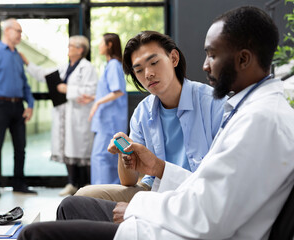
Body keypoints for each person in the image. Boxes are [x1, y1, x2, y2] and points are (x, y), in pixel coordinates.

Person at [17, 6, 294, 240]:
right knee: (71, 205)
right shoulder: (251, 111)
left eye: (211, 55)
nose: (206, 65)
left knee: (34, 234)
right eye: (138, 70)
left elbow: (209, 214)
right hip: (172, 206)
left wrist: (142, 206)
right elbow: (203, 189)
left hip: (176, 227)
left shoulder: (255, 119)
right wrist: (151, 169)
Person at [75, 30, 226, 202]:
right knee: (82, 198)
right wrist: (124, 153)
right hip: (154, 190)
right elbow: (129, 181)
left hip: (200, 193)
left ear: (174, 58)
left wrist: (157, 168)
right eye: (138, 70)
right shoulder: (142, 112)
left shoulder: (214, 104)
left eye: (154, 62)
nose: (148, 74)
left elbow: (224, 178)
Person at [21, 35, 98, 196]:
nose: (68, 49)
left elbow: (91, 91)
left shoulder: (87, 68)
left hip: (79, 115)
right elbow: (44, 75)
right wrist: (27, 63)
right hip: (64, 114)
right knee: (67, 150)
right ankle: (72, 183)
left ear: (80, 49)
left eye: (71, 46)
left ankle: (85, 186)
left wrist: (67, 89)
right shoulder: (64, 67)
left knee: (81, 151)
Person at [0, 18, 36, 197]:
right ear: (7, 31)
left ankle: (19, 183)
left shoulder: (18, 56)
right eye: (18, 31)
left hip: (18, 107)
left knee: (21, 148)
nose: (20, 35)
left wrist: (30, 105)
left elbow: (25, 84)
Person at [86, 33, 128, 185]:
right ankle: (106, 192)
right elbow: (108, 91)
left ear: (109, 45)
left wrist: (97, 104)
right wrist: (92, 99)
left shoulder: (114, 65)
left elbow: (118, 91)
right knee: (106, 158)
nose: (99, 46)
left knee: (101, 157)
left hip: (110, 121)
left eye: (101, 42)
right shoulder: (110, 65)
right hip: (107, 121)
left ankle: (101, 195)